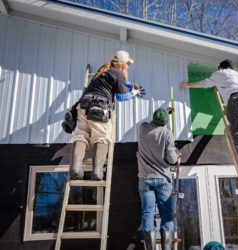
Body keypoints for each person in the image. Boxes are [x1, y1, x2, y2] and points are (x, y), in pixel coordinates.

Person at [180, 59, 238, 170]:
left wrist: (188, 85)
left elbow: (205, 83)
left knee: (236, 131)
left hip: (236, 98)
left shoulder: (221, 73)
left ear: (221, 67)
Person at [70, 50, 145, 181]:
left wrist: (130, 85)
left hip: (83, 104)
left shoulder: (104, 69)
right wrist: (133, 92)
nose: (128, 67)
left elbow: (121, 81)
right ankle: (97, 172)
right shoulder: (119, 74)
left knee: (81, 135)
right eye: (128, 64)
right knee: (101, 137)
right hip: (99, 108)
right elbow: (121, 97)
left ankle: (75, 169)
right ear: (122, 65)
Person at [137, 108, 178, 250]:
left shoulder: (142, 128)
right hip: (162, 179)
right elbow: (172, 159)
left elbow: (152, 125)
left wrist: (163, 113)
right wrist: (176, 154)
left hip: (145, 178)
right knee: (166, 213)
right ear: (165, 122)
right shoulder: (167, 133)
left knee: (148, 212)